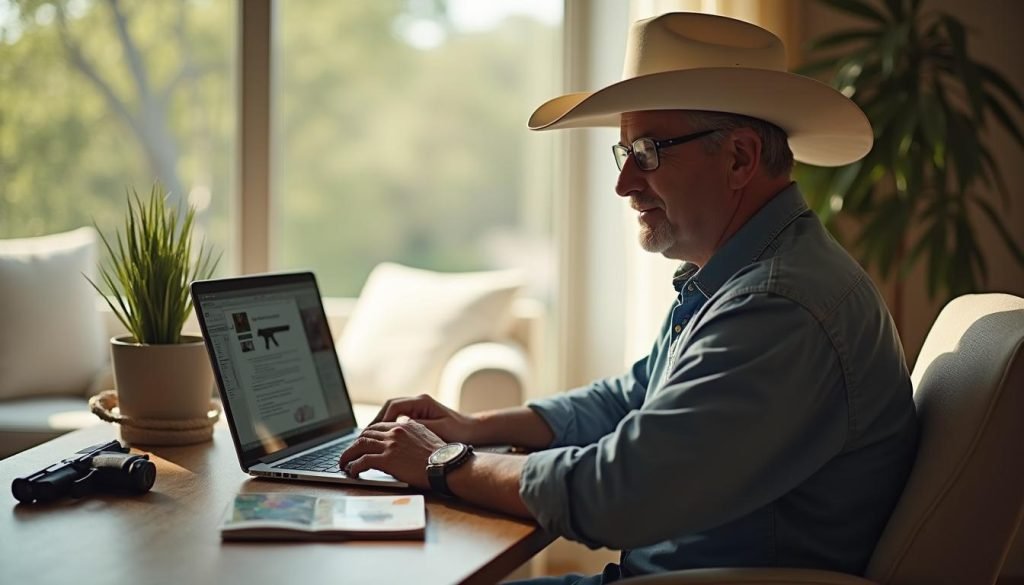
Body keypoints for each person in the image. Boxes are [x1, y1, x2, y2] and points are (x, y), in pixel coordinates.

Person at [339, 12, 918, 584]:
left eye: (647, 152)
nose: (624, 184)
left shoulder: (777, 307)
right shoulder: (742, 275)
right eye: (625, 155)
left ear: (739, 158)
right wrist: (474, 426)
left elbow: (618, 494)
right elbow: (631, 398)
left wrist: (443, 463)